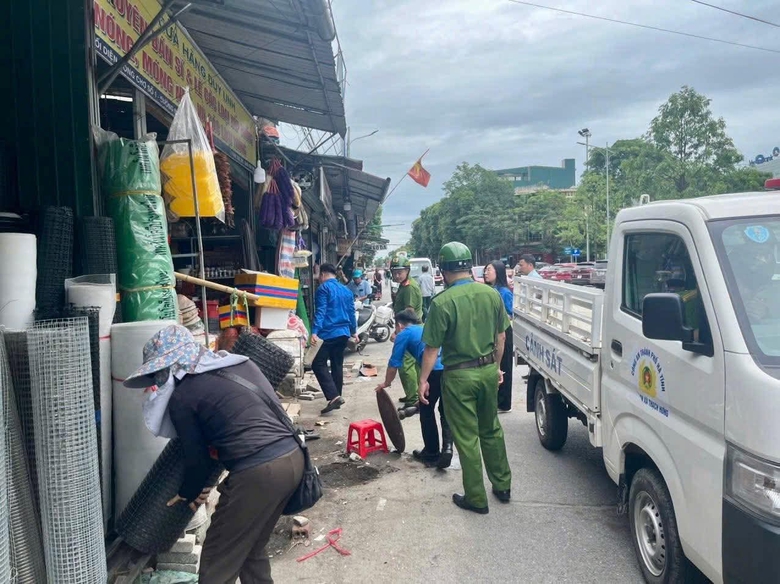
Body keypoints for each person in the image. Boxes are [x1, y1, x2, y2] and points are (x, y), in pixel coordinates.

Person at [123, 325, 305, 584]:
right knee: (251, 549)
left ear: (170, 366)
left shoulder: (183, 395)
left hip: (260, 472)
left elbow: (196, 458)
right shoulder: (241, 364)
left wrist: (188, 492)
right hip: (294, 457)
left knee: (217, 562)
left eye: (157, 374)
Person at [420, 241, 512, 515]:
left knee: (467, 436)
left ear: (444, 270)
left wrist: (423, 380)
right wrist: (496, 367)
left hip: (459, 376)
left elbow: (432, 349)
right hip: (487, 371)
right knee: (491, 429)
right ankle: (503, 485)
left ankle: (476, 498)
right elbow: (501, 337)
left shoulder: (441, 302)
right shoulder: (491, 294)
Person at [374, 309, 453, 468]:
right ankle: (447, 449)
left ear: (399, 325)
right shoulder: (426, 328)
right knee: (446, 410)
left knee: (426, 411)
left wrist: (386, 383)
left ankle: (431, 453)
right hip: (450, 370)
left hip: (432, 372)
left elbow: (394, 363)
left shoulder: (404, 334)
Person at [311, 263, 359, 414]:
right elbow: (351, 312)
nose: (319, 279)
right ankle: (337, 397)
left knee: (317, 363)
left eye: (319, 276)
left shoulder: (323, 289)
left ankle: (333, 397)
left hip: (328, 332)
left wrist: (314, 331)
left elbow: (321, 311)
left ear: (323, 274)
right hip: (344, 333)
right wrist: (354, 331)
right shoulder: (346, 290)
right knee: (337, 363)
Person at [390, 256, 424, 409]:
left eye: (400, 272)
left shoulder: (409, 288)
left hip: (409, 330)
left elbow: (409, 313)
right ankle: (415, 394)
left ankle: (413, 399)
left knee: (405, 365)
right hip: (413, 330)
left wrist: (398, 333)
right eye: (395, 272)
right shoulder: (403, 286)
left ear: (407, 271)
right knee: (415, 365)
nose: (397, 275)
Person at [484, 260, 514, 413]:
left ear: (498, 272)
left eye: (489, 270)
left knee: (504, 366)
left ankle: (504, 403)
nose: (486, 273)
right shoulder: (490, 290)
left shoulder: (504, 292)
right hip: (492, 331)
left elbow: (511, 312)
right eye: (485, 270)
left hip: (504, 330)